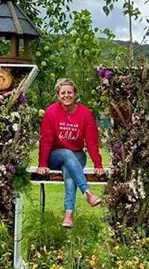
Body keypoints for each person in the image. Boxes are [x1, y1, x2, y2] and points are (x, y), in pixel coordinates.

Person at [37, 79, 104, 228]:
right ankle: (87, 193)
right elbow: (46, 139)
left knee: (69, 173)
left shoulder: (85, 113)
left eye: (69, 92)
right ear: (58, 95)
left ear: (75, 95)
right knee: (67, 153)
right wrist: (42, 163)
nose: (66, 95)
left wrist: (98, 164)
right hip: (55, 156)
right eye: (63, 93)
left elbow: (91, 141)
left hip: (77, 155)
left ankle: (68, 214)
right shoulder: (51, 112)